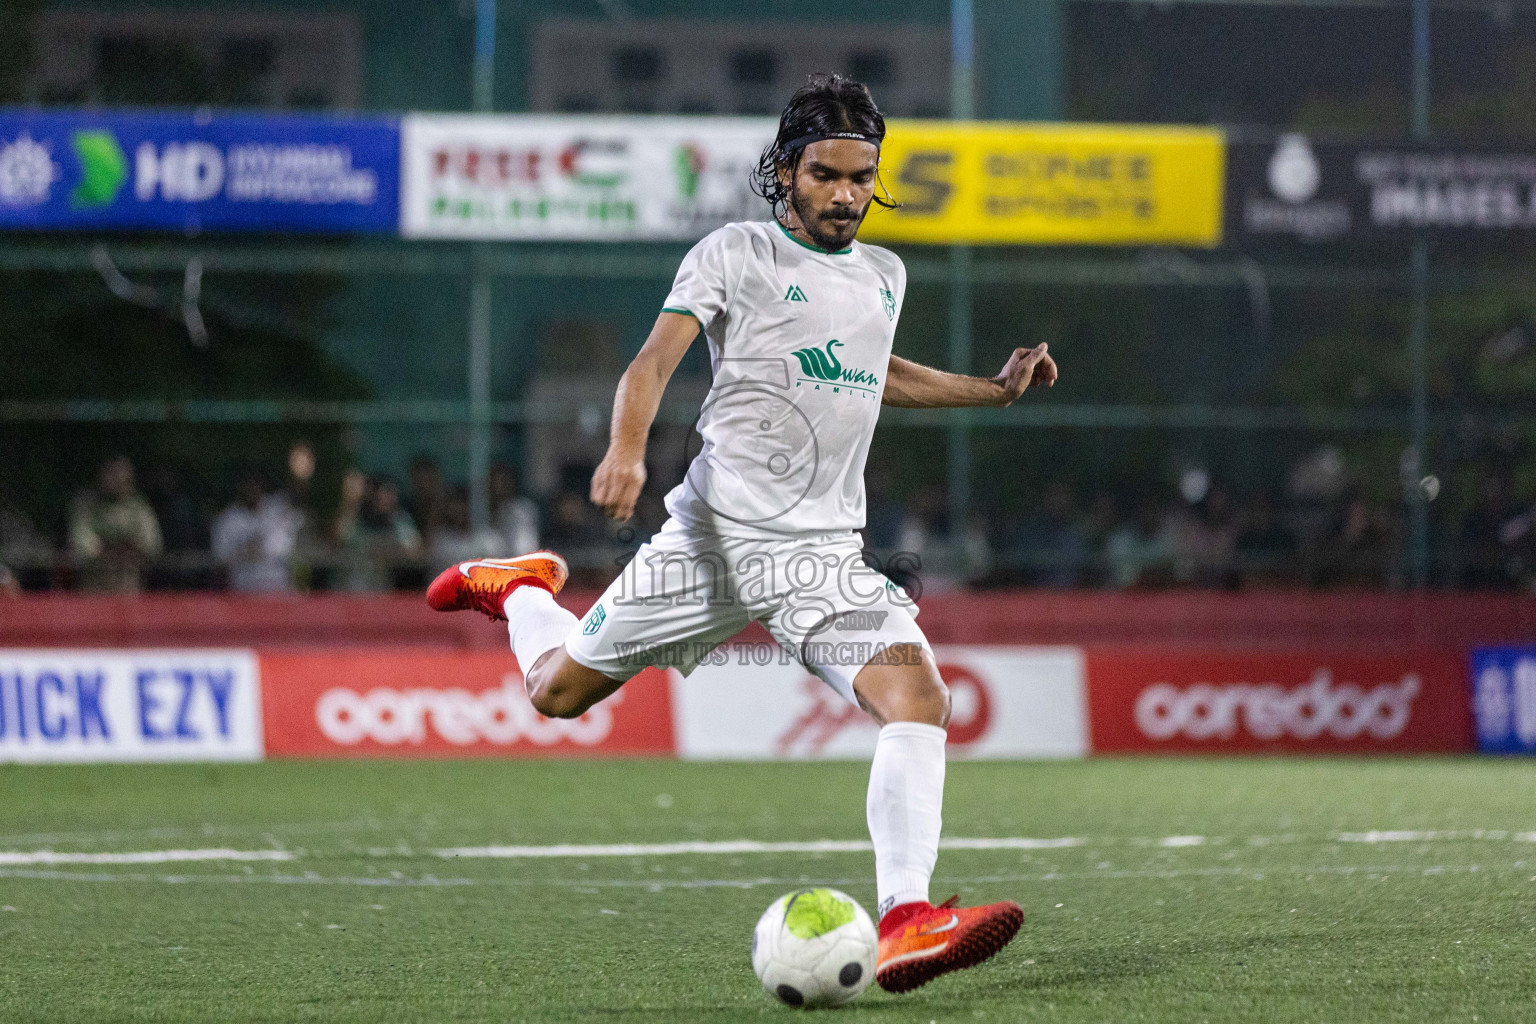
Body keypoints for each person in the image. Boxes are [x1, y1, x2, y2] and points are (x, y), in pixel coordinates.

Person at [426, 74, 1054, 993]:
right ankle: (522, 589)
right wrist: (626, 453)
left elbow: (875, 374)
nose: (845, 194)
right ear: (786, 172)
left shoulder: (886, 274)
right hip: (712, 541)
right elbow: (651, 361)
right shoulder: (735, 253)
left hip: (819, 556)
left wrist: (990, 391)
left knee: (917, 702)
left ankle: (909, 918)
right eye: (827, 174)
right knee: (555, 694)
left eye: (859, 177)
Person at [68, 455, 163, 593]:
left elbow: (152, 543)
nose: (116, 478)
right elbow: (81, 541)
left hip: (128, 581)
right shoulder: (86, 504)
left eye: (121, 473)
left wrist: (129, 550)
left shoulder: (139, 506)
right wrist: (106, 551)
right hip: (95, 581)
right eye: (111, 473)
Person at [211, 472, 302, 592]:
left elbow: (287, 547)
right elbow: (220, 559)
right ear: (241, 488)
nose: (253, 490)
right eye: (248, 486)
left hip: (277, 587)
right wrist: (244, 551)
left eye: (256, 485)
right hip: (243, 589)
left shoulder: (276, 511)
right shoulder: (227, 520)